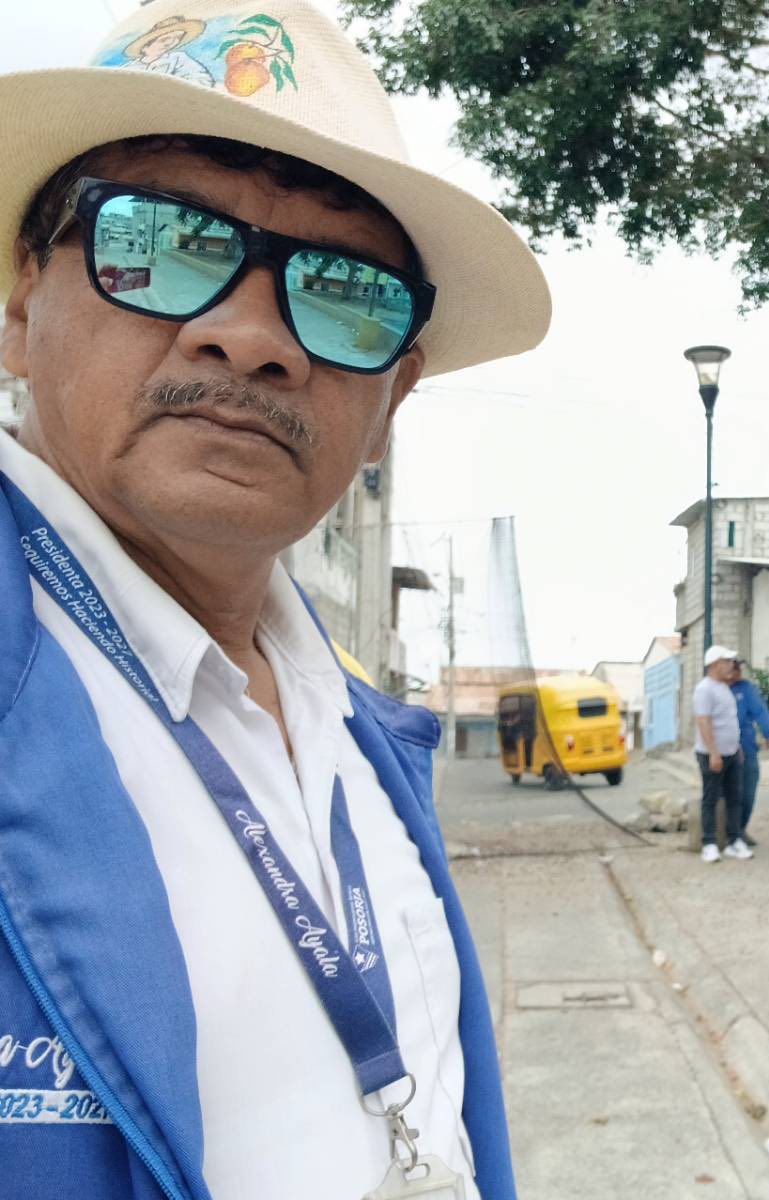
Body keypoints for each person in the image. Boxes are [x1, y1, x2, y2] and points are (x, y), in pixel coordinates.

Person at [0, 2, 552, 1197]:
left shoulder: (368, 739)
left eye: (344, 291)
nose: (253, 336)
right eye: (160, 240)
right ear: (20, 307)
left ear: (392, 399)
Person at [693, 645, 752, 863]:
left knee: (735, 798)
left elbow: (729, 721)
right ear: (715, 664)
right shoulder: (704, 689)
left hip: (732, 753)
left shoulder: (724, 688)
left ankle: (734, 840)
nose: (731, 665)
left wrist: (737, 748)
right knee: (710, 798)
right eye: (727, 662)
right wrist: (713, 753)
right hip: (713, 754)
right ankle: (708, 843)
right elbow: (704, 722)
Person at [728, 658, 769, 846]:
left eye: (738, 669)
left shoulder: (746, 688)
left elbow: (761, 712)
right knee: (727, 793)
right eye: (734, 669)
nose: (737, 673)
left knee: (748, 790)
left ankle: (740, 829)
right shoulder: (716, 688)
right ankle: (725, 832)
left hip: (747, 747)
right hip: (724, 747)